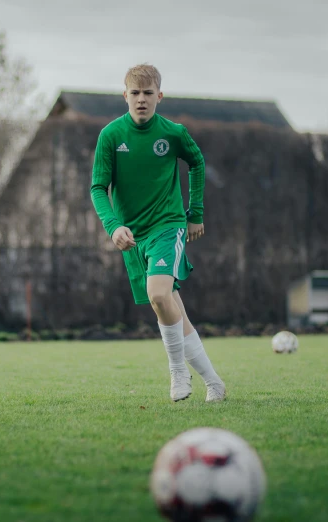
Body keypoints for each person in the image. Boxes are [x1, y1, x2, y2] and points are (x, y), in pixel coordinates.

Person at [90, 63, 226, 403]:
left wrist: (195, 214)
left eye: (148, 93)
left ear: (159, 96)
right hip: (133, 239)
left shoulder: (174, 133)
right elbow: (97, 188)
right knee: (172, 309)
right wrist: (113, 226)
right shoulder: (110, 136)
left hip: (167, 226)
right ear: (125, 96)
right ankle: (215, 384)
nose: (141, 99)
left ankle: (178, 373)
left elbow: (197, 162)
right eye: (134, 93)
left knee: (159, 296)